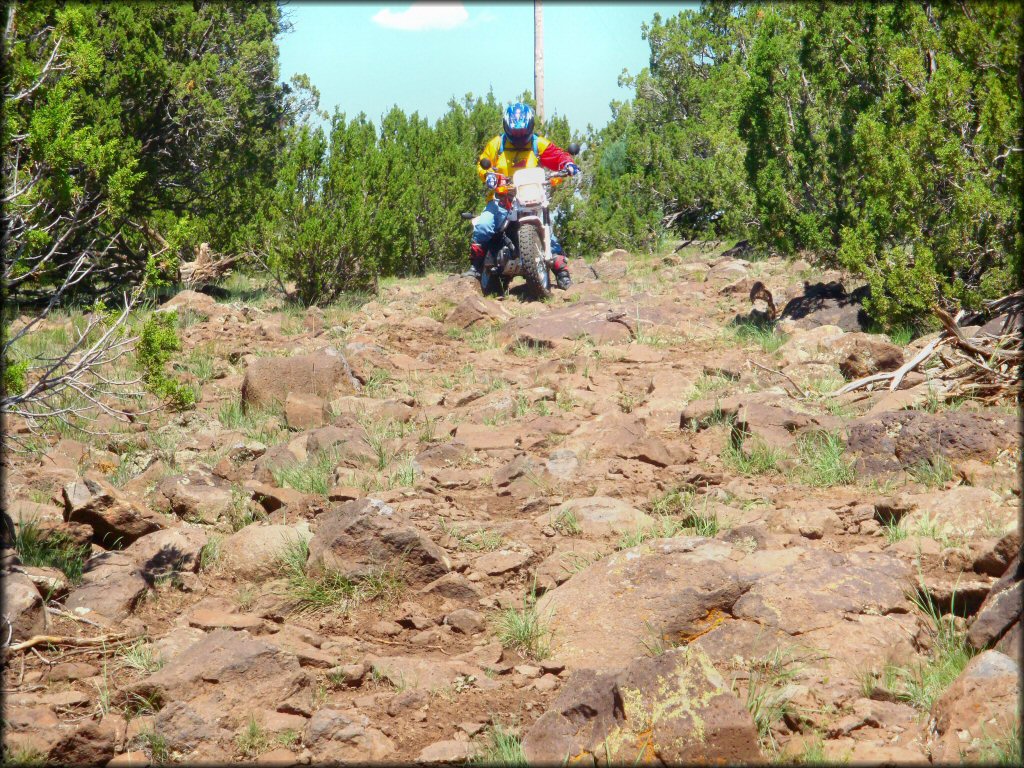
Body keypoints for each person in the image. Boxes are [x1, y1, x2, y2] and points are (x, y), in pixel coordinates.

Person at [467, 102, 579, 290]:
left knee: (548, 234)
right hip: (504, 200)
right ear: (507, 127)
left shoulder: (538, 144)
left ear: (530, 127)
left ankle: (562, 272)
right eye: (515, 133)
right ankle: (475, 268)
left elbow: (559, 156)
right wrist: (488, 176)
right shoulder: (497, 144)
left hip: (531, 198)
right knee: (485, 225)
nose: (519, 137)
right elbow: (482, 163)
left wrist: (568, 165)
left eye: (522, 132)